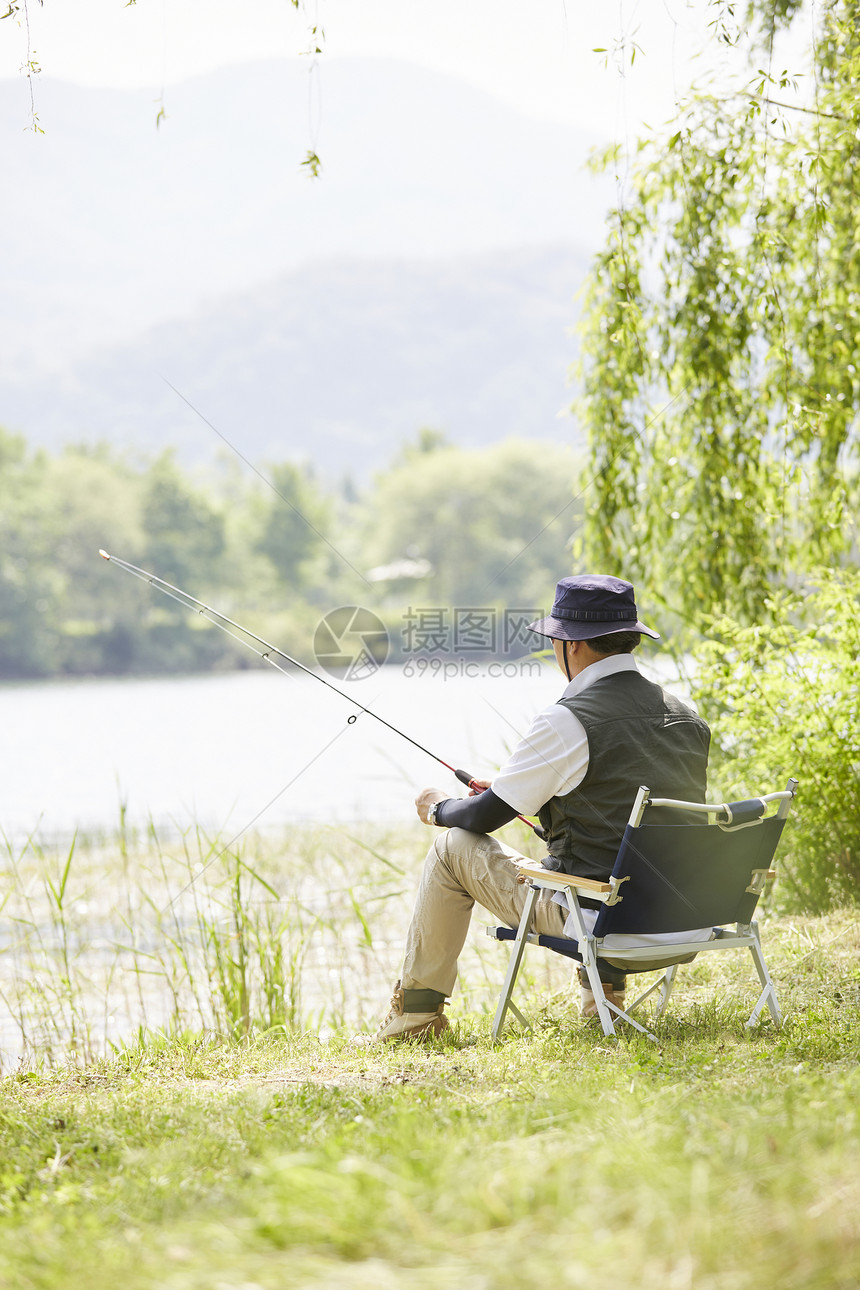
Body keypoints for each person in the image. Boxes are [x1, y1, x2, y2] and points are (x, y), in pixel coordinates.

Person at [372, 574, 711, 1043]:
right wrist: (516, 790)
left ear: (571, 645)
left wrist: (437, 807)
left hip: (606, 927)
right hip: (683, 923)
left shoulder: (567, 719)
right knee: (615, 868)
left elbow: (481, 820)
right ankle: (603, 1007)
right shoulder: (687, 717)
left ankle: (414, 1021)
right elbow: (625, 805)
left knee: (451, 846)